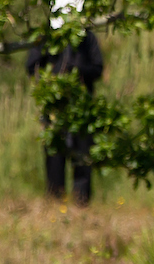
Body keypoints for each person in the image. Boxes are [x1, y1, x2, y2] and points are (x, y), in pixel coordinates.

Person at [25, 22, 105, 205]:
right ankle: (55, 201)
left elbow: (97, 68)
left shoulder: (87, 38)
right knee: (54, 154)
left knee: (83, 154)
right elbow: (31, 66)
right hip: (54, 106)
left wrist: (77, 73)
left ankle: (81, 203)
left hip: (81, 106)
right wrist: (51, 80)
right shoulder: (47, 37)